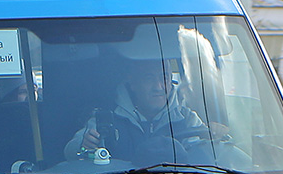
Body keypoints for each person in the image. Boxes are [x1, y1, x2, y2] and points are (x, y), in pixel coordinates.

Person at [65, 57, 222, 164]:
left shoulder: (186, 118)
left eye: (164, 77)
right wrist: (84, 145)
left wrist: (217, 136)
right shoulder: (107, 117)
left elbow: (208, 156)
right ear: (132, 83)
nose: (159, 87)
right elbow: (70, 152)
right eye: (149, 78)